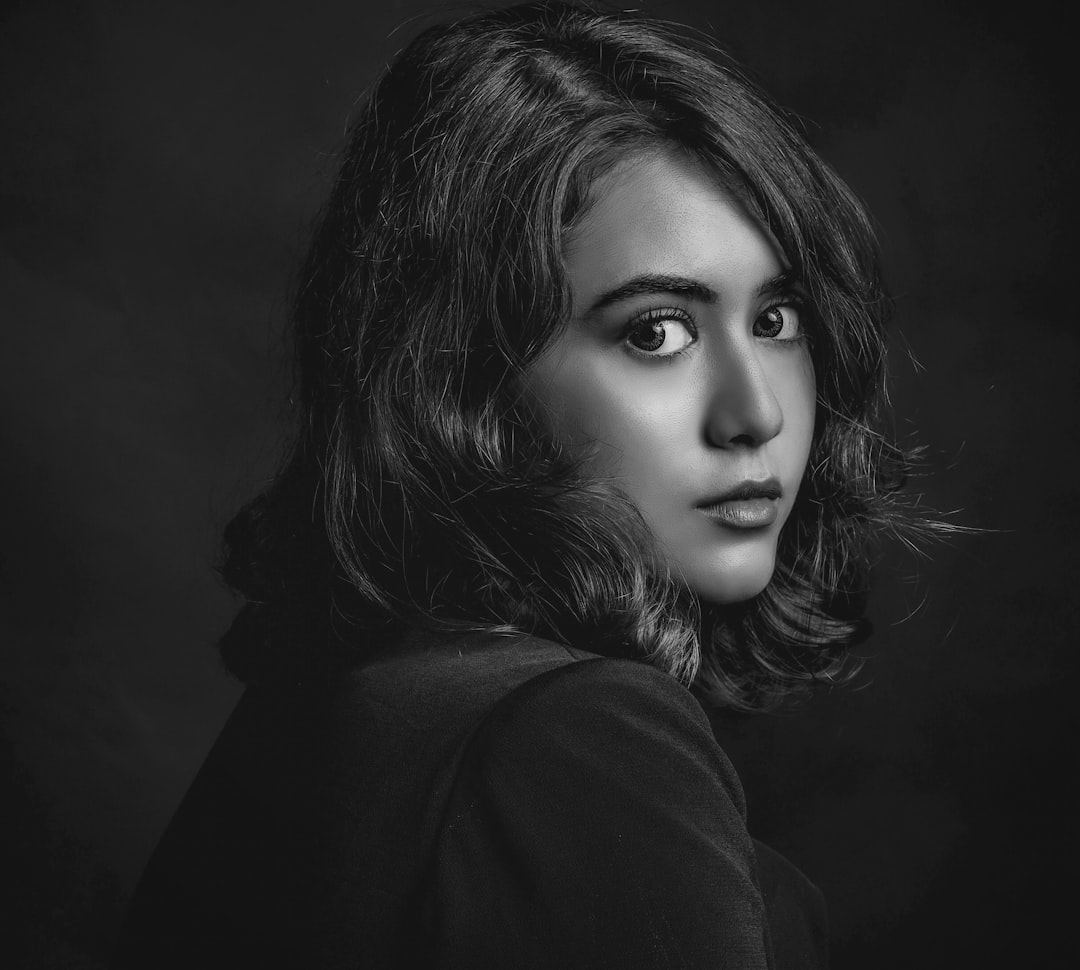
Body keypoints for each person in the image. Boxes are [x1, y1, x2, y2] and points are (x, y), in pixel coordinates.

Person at [113, 2, 920, 967]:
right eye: (656, 331)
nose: (758, 414)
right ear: (469, 377)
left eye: (778, 320)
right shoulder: (572, 733)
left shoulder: (345, 694)